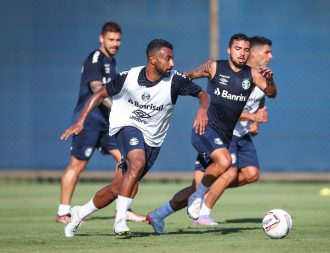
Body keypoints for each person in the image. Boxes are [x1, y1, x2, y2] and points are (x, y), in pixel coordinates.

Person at [60, 39, 209, 238]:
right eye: (168, 58)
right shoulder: (128, 77)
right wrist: (80, 122)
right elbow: (99, 94)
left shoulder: (176, 80)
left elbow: (203, 95)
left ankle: (80, 212)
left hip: (153, 140)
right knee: (137, 162)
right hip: (126, 126)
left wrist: (202, 109)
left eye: (173, 58)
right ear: (153, 59)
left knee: (117, 188)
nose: (172, 63)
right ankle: (120, 221)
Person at [146, 33, 277, 234]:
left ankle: (158, 215)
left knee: (196, 186)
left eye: (245, 49)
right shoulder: (214, 66)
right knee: (224, 163)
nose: (242, 53)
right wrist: (164, 85)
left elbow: (271, 93)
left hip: (223, 137)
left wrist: (271, 80)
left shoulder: (252, 74)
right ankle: (199, 199)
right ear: (229, 50)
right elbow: (187, 76)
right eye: (237, 49)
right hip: (204, 129)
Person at [56, 21, 145, 224]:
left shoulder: (110, 61)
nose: (115, 43)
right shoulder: (95, 58)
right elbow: (97, 88)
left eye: (118, 40)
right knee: (76, 166)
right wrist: (117, 108)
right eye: (111, 39)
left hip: (107, 124)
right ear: (101, 38)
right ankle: (63, 212)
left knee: (129, 161)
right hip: (89, 122)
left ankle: (123, 209)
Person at [193, 36, 274, 226]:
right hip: (224, 133)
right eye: (267, 52)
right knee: (229, 172)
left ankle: (206, 188)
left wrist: (256, 121)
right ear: (253, 53)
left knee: (252, 174)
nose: (270, 56)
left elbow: (261, 98)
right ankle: (203, 214)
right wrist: (253, 118)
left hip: (243, 133)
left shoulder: (260, 75)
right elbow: (228, 110)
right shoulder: (234, 75)